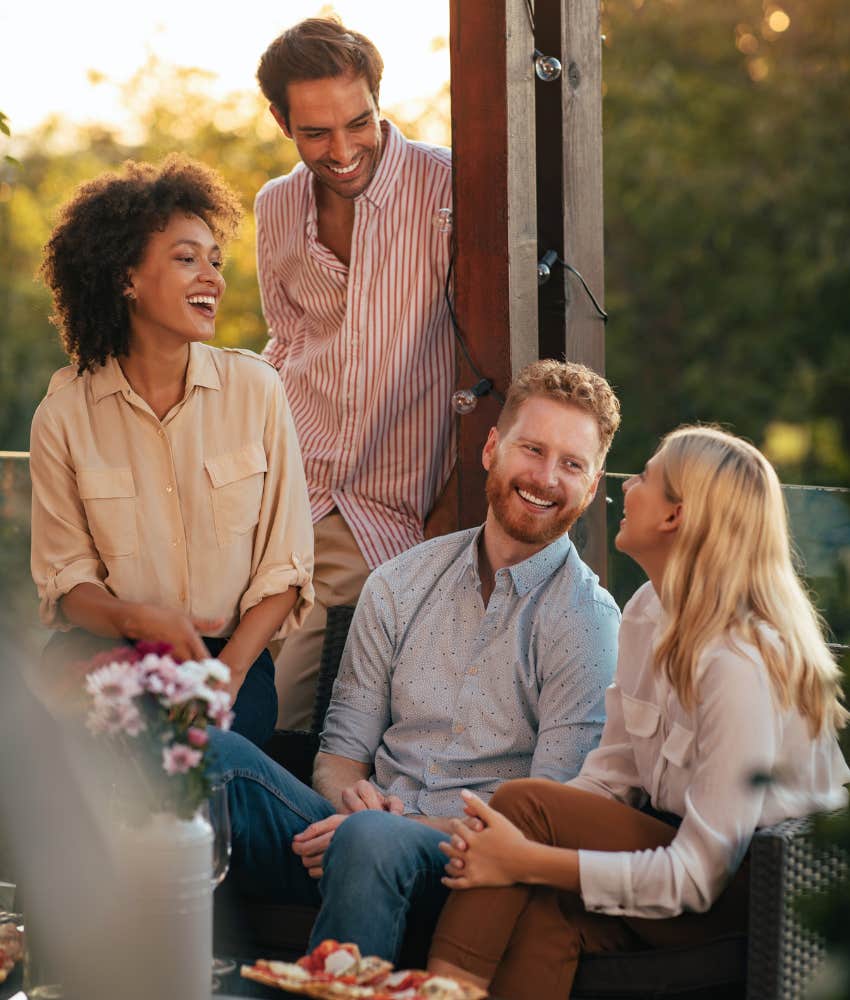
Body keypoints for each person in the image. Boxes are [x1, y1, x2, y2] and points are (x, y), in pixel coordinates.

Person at [209, 360, 622, 960]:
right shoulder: (398, 583)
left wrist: (391, 831)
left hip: (464, 871)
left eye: (571, 464)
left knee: (374, 839)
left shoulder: (587, 622)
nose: (546, 477)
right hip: (349, 835)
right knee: (206, 756)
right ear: (491, 448)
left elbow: (543, 824)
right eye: (532, 449)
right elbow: (340, 758)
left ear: (592, 483)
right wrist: (352, 800)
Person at [426, 425, 850, 1000]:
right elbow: (612, 779)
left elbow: (700, 876)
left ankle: (437, 991)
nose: (627, 488)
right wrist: (521, 848)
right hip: (668, 847)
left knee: (522, 804)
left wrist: (529, 855)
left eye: (646, 478)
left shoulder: (737, 664)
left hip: (759, 890)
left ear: (675, 517)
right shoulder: (647, 610)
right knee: (546, 905)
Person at [30, 156, 315, 749]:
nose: (211, 276)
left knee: (214, 765)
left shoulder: (257, 389)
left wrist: (227, 675)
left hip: (230, 658)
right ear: (125, 278)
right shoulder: (63, 416)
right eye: (186, 259)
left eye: (215, 259)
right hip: (109, 655)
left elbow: (285, 568)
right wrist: (139, 621)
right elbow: (67, 581)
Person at [254, 17, 456, 728]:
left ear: (377, 99)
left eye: (357, 122)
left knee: (280, 704)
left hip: (389, 505)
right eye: (314, 134)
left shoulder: (447, 190)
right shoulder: (275, 206)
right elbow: (285, 343)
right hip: (285, 488)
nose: (342, 151)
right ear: (281, 121)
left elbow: (485, 357)